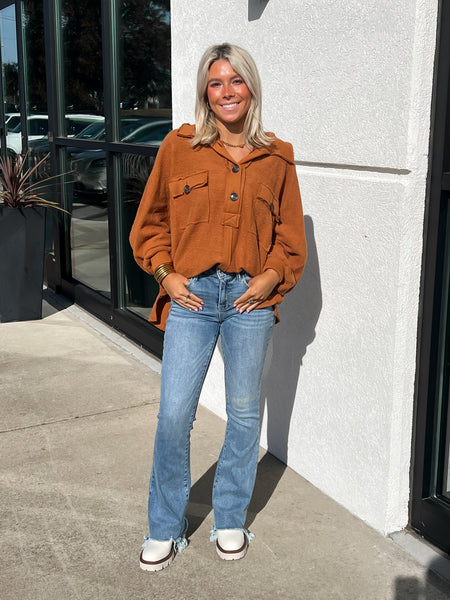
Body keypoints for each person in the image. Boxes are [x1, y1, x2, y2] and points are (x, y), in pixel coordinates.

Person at [130, 43, 307, 572]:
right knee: (174, 414)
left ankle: (230, 517)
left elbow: (290, 239)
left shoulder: (278, 157)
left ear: (251, 88)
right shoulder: (178, 147)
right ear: (205, 92)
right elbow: (149, 226)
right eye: (216, 83)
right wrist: (167, 275)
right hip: (193, 296)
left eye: (236, 81)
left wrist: (270, 278)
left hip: (251, 301)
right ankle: (164, 526)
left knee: (245, 413)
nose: (227, 91)